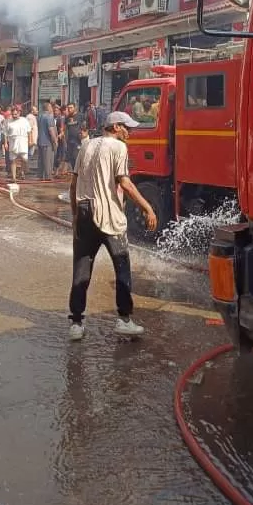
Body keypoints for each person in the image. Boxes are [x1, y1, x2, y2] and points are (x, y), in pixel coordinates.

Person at [68, 111, 157, 341]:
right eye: (127, 128)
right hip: (108, 215)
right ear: (116, 127)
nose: (130, 132)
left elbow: (73, 184)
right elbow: (125, 183)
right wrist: (148, 208)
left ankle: (76, 323)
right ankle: (124, 320)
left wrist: (76, 215)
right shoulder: (118, 148)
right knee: (122, 266)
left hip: (85, 212)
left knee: (81, 269)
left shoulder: (86, 146)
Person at [5, 107, 31, 183]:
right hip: (13, 140)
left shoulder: (24, 120)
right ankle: (14, 177)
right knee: (13, 159)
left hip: (23, 140)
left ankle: (22, 172)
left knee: (24, 159)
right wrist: (6, 143)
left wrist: (30, 141)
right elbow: (5, 133)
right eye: (13, 114)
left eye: (16, 114)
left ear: (19, 113)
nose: (14, 115)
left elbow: (29, 131)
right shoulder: (8, 121)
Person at [37, 102, 58, 180]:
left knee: (41, 160)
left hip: (40, 141)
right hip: (48, 142)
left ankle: (40, 176)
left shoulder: (39, 117)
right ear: (48, 108)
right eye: (51, 107)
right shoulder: (49, 117)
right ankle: (48, 176)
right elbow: (51, 129)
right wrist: (55, 140)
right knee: (48, 160)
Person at [65, 102, 84, 172]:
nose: (69, 109)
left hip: (78, 140)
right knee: (71, 158)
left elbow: (85, 127)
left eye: (71, 108)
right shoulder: (67, 118)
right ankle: (75, 172)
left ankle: (79, 172)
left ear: (75, 108)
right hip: (70, 141)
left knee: (76, 156)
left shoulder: (80, 116)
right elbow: (66, 128)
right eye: (68, 108)